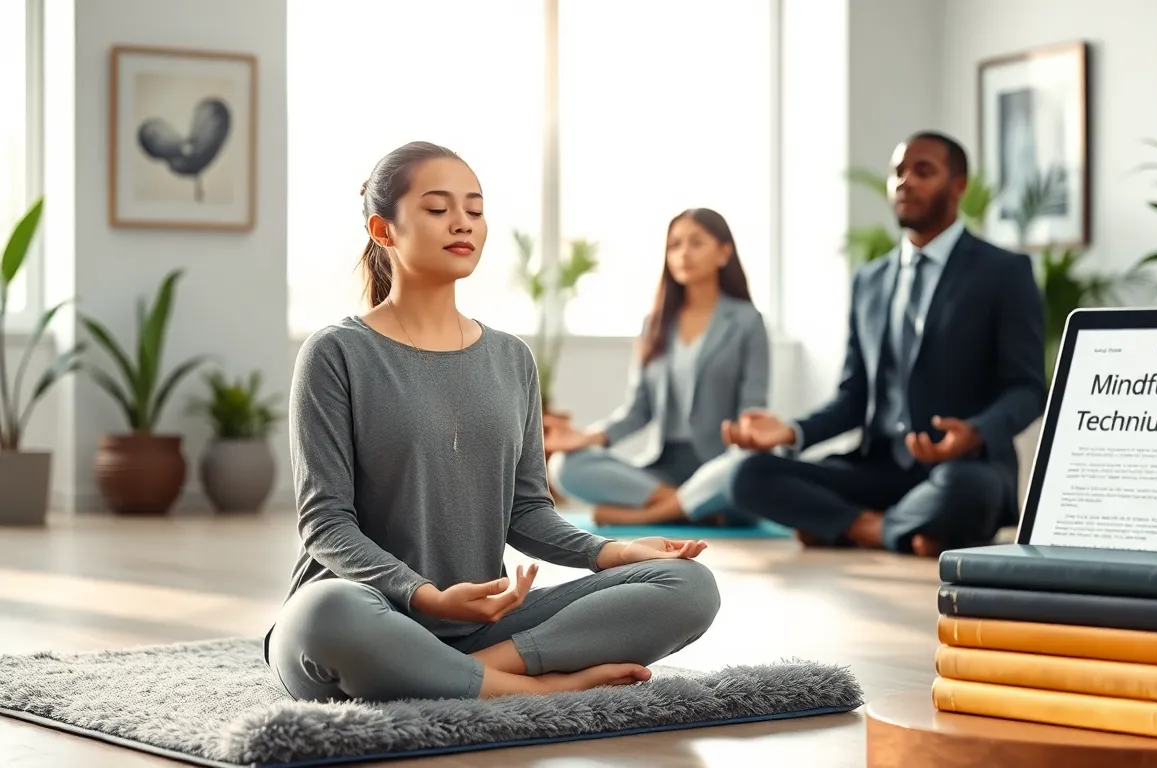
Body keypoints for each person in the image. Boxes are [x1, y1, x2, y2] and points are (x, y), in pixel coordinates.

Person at [266, 141, 721, 704]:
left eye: (475, 210)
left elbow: (527, 512)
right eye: (438, 209)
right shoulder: (336, 353)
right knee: (327, 613)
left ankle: (467, 675)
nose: (463, 222)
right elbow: (326, 524)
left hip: (480, 628)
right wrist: (426, 596)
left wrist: (617, 552)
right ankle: (536, 689)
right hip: (366, 615)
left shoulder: (511, 359)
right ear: (383, 230)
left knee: (689, 585)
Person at [722, 131, 1046, 557]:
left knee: (969, 491)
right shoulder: (870, 281)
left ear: (958, 186)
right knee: (748, 475)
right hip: (877, 469)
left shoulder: (1004, 272)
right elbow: (853, 397)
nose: (905, 182)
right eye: (898, 172)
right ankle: (891, 530)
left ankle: (846, 525)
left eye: (923, 171)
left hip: (960, 467)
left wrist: (976, 432)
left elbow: (1027, 389)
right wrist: (792, 431)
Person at [547, 208, 769, 528]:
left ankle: (650, 514)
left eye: (696, 243)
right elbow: (637, 412)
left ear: (724, 253)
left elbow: (753, 409)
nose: (683, 253)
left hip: (721, 464)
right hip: (663, 468)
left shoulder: (748, 322)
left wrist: (747, 441)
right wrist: (586, 438)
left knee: (749, 471)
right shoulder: (654, 325)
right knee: (565, 466)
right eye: (675, 245)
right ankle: (692, 506)